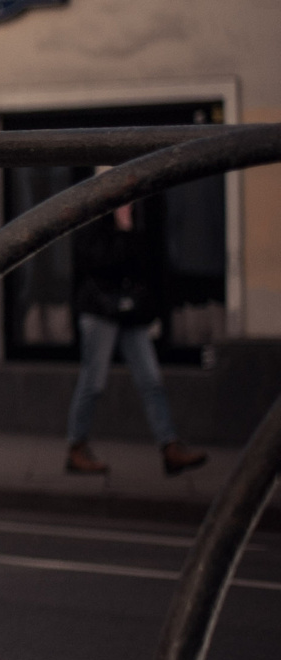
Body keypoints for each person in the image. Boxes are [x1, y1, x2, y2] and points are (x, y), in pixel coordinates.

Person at [64, 200, 209, 477]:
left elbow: (145, 265)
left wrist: (130, 230)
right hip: (100, 310)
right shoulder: (93, 221)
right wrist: (122, 229)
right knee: (93, 381)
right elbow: (100, 264)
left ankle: (169, 447)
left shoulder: (139, 219)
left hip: (131, 313)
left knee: (151, 380)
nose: (128, 205)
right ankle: (76, 447)